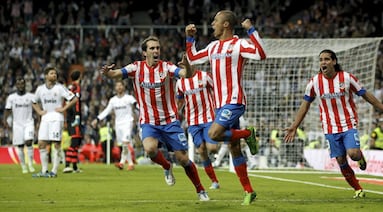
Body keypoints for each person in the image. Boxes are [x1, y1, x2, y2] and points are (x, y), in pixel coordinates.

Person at [100, 35, 210, 201]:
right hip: (149, 121)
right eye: (152, 48)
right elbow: (116, 73)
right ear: (144, 53)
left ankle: (200, 189)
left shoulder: (167, 67)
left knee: (183, 159)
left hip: (170, 121)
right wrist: (108, 73)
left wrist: (187, 65)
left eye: (157, 48)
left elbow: (185, 74)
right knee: (150, 150)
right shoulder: (136, 68)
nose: (156, 51)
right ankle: (166, 166)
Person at [283, 49, 383, 198]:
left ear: (334, 61)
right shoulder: (314, 83)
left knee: (353, 154)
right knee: (341, 160)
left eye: (326, 59)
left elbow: (365, 94)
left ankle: (360, 156)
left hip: (348, 123)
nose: (323, 62)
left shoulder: (346, 78)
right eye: (321, 60)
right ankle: (358, 189)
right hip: (329, 127)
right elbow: (305, 105)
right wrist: (294, 126)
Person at [185, 10, 266, 205]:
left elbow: (261, 54)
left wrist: (251, 30)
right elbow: (193, 59)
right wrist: (190, 38)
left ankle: (248, 133)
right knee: (233, 147)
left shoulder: (239, 44)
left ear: (226, 25)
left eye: (216, 21)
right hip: (220, 105)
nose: (212, 24)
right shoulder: (213, 47)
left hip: (235, 101)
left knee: (213, 134)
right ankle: (249, 191)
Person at [176, 54, 220, 189]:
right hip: (192, 121)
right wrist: (176, 111)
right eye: (183, 65)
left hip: (208, 118)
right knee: (201, 151)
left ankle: (224, 138)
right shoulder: (180, 82)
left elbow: (217, 91)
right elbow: (180, 99)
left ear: (193, 63)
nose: (185, 67)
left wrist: (219, 110)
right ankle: (214, 181)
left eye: (187, 63)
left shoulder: (205, 76)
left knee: (212, 148)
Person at [32, 67, 79, 178]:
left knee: (56, 144)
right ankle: (44, 171)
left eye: (55, 73)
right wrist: (39, 111)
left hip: (57, 118)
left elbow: (74, 99)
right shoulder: (40, 89)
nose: (54, 75)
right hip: (45, 118)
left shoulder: (60, 88)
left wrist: (63, 109)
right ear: (46, 76)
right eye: (51, 73)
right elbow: (34, 101)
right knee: (41, 144)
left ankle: (53, 171)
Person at [91, 80, 137, 171]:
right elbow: (106, 111)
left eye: (121, 85)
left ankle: (122, 162)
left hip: (128, 122)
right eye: (117, 86)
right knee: (123, 145)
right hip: (118, 124)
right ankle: (130, 163)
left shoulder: (129, 98)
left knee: (125, 142)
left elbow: (136, 105)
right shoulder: (113, 100)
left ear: (124, 87)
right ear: (115, 88)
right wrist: (97, 119)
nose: (119, 87)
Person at [3, 77, 36, 174]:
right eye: (19, 84)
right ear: (16, 85)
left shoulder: (31, 96)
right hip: (17, 124)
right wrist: (5, 120)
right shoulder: (11, 98)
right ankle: (23, 166)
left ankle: (30, 164)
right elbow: (7, 110)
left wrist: (39, 119)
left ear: (25, 85)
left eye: (22, 84)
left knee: (29, 141)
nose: (21, 86)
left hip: (29, 122)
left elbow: (36, 107)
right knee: (20, 145)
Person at [63, 70, 83, 173]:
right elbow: (76, 103)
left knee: (77, 141)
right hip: (75, 116)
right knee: (75, 141)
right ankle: (67, 164)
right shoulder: (76, 87)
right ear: (80, 76)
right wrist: (77, 116)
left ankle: (74, 166)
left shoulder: (70, 87)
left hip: (70, 116)